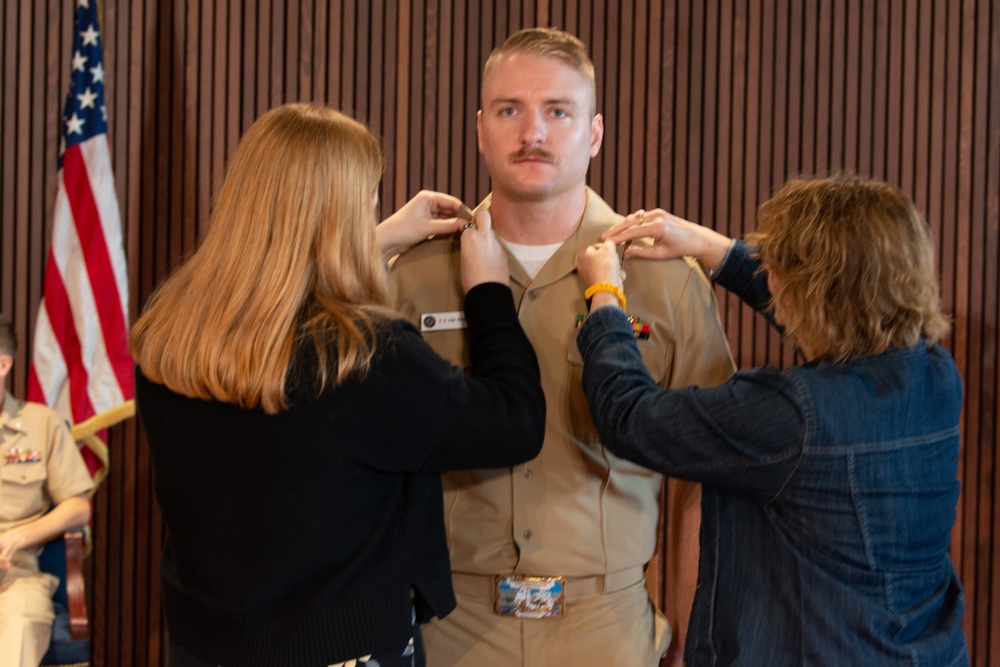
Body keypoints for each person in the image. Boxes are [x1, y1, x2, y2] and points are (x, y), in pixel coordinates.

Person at [129, 103, 546, 667]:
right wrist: (489, 294)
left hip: (203, 648)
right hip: (341, 650)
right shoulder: (364, 354)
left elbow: (276, 302)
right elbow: (515, 421)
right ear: (342, 217)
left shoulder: (168, 333)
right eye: (367, 202)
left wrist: (375, 240)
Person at [389, 28, 735, 666]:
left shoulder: (666, 278)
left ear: (595, 134)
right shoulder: (410, 275)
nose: (534, 134)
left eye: (558, 112)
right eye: (509, 110)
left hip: (608, 631)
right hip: (446, 629)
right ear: (480, 128)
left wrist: (693, 637)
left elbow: (703, 481)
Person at [574, 174, 969, 665]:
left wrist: (604, 294)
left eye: (776, 266)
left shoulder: (792, 416)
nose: (770, 276)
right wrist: (709, 248)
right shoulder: (934, 373)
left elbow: (629, 417)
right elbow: (833, 314)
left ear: (811, 289)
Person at [0, 316, 94, 667]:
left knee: (19, 626)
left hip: (15, 577)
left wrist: (18, 537)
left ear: (3, 364)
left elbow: (77, 507)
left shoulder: (42, 424)